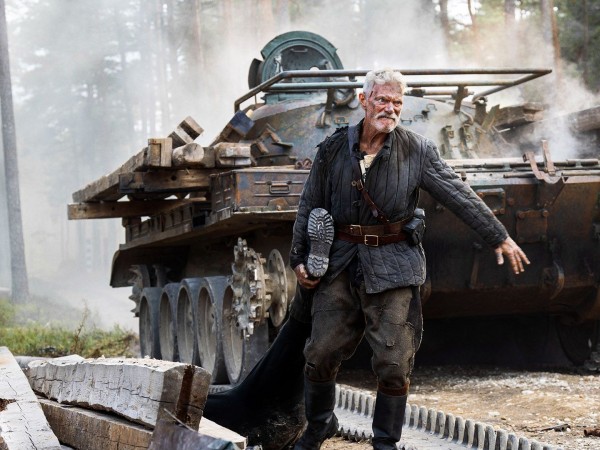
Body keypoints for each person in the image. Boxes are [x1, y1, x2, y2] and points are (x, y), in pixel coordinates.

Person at [289, 68, 529, 450]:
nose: (390, 108)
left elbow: (456, 192)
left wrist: (498, 235)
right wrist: (299, 257)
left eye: (397, 102)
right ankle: (319, 426)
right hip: (341, 262)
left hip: (393, 264)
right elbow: (310, 203)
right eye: (383, 100)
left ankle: (385, 443)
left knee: (395, 362)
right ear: (363, 100)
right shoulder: (333, 148)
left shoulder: (417, 149)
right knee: (320, 353)